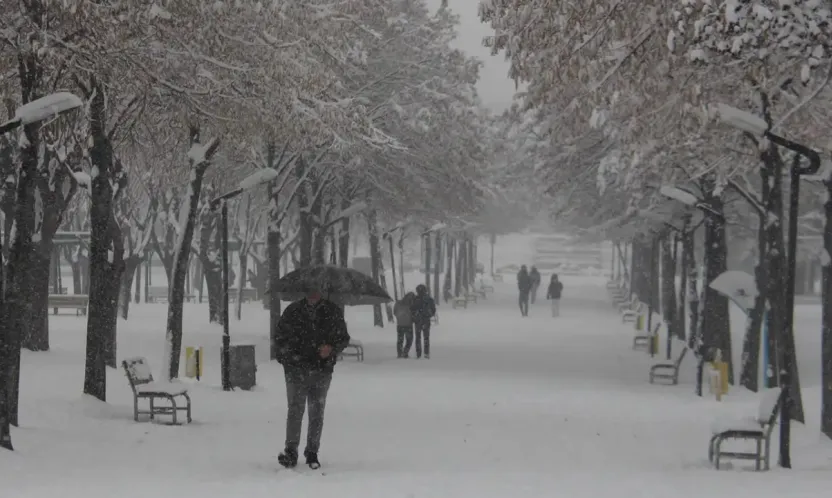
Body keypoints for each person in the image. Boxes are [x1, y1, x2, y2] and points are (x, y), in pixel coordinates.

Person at [274, 289, 350, 470]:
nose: (313, 294)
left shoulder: (332, 311)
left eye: (317, 290)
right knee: (295, 410)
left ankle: (312, 452)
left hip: (321, 369)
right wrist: (288, 359)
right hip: (295, 370)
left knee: (316, 411)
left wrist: (331, 349)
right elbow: (279, 338)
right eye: (310, 290)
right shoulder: (292, 311)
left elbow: (343, 338)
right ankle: (291, 451)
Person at [410, 284, 436, 359]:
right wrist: (428, 315)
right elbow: (433, 310)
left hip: (418, 320)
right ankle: (426, 353)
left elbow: (411, 309)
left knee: (418, 337)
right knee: (426, 337)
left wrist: (414, 316)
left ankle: (418, 353)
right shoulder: (429, 299)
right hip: (426, 320)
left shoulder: (415, 299)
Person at [394, 292, 416, 358]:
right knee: (409, 340)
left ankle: (399, 353)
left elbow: (395, 312)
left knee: (400, 340)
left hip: (400, 324)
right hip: (408, 325)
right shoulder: (411, 304)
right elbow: (414, 314)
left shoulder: (398, 303)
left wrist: (399, 318)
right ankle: (405, 352)